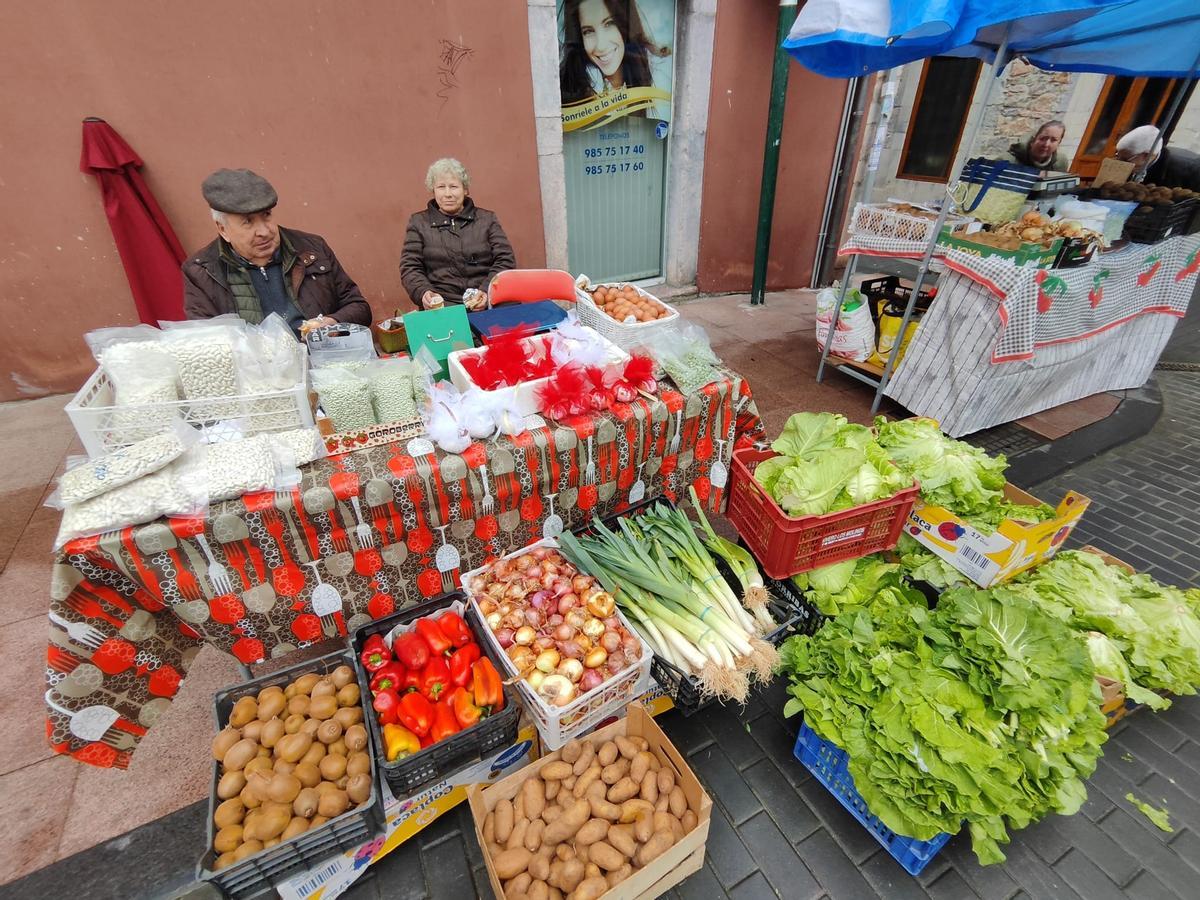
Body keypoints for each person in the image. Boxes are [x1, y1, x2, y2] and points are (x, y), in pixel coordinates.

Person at [182, 169, 371, 336]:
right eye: (248, 222)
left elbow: (359, 307)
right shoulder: (202, 272)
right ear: (223, 229)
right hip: (256, 365)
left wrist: (332, 322)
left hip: (323, 358)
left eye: (267, 215)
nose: (264, 232)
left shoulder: (312, 248)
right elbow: (206, 341)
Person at [400, 158, 516, 310]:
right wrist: (424, 292)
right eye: (441, 187)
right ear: (433, 190)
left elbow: (505, 260)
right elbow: (410, 267)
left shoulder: (487, 219)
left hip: (486, 299)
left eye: (454, 187)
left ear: (465, 189)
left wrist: (486, 291)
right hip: (443, 304)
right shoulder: (419, 222)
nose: (448, 194)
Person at [559, 0, 671, 110]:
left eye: (609, 24)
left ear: (626, 23)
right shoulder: (571, 89)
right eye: (588, 31)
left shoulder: (661, 77)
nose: (601, 46)